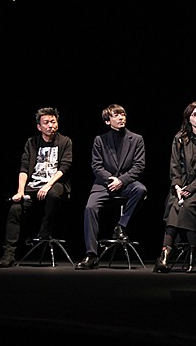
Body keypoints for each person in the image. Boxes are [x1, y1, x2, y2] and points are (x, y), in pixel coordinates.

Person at [0, 107, 73, 268]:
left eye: (53, 121)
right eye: (46, 122)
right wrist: (20, 191)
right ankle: (8, 254)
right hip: (33, 185)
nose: (51, 125)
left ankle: (44, 232)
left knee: (53, 194)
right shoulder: (31, 142)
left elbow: (64, 167)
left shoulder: (65, 141)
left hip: (55, 183)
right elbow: (24, 169)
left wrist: (48, 185)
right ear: (39, 126)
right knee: (15, 209)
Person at [153, 101, 196, 273]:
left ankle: (190, 252)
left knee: (186, 207)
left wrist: (191, 188)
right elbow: (174, 165)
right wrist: (177, 186)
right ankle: (166, 253)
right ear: (188, 118)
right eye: (194, 114)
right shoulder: (180, 138)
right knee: (175, 205)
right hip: (181, 185)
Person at [75, 104, 147, 270]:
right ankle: (91, 254)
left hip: (126, 183)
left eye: (123, 114)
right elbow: (96, 166)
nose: (121, 118)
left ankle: (121, 226)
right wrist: (111, 179)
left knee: (141, 190)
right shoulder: (100, 140)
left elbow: (139, 166)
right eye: (116, 115)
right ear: (108, 121)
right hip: (104, 184)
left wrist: (121, 180)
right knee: (90, 207)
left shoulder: (136, 139)